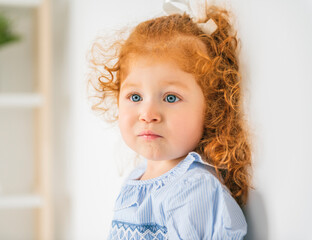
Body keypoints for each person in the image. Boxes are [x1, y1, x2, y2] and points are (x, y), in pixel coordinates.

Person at [88, 2, 252, 239]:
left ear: (210, 107)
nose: (148, 113)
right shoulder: (137, 178)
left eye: (171, 97)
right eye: (135, 96)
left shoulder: (194, 188)